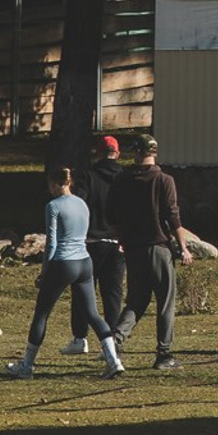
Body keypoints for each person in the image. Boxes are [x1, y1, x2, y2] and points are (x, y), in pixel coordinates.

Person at [5, 167, 126, 377]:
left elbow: (52, 242)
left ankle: (27, 365)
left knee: (42, 313)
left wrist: (45, 271)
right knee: (93, 313)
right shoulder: (81, 203)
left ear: (54, 184)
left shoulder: (53, 206)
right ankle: (113, 360)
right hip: (84, 261)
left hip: (64, 262)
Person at [108, 129, 191, 372]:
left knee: (136, 300)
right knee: (165, 301)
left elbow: (111, 214)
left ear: (135, 152)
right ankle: (164, 354)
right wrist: (183, 247)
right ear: (154, 152)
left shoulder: (121, 180)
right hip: (158, 247)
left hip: (133, 248)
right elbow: (173, 217)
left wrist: (122, 237)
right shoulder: (164, 180)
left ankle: (115, 340)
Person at [65, 133, 127, 355]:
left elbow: (78, 205)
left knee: (83, 292)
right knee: (113, 295)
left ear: (98, 154)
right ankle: (112, 341)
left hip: (90, 242)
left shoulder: (88, 177)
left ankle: (80, 338)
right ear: (117, 154)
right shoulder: (125, 178)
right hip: (118, 243)